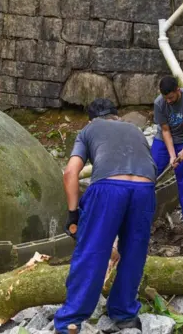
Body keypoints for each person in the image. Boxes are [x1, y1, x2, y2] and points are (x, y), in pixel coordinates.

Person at [54, 98, 157, 333]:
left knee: (92, 252)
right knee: (133, 253)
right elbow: (151, 165)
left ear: (91, 118)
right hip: (145, 189)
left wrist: (73, 214)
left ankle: (70, 320)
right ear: (116, 115)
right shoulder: (134, 129)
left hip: (109, 189)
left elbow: (70, 172)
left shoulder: (89, 130)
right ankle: (124, 314)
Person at [151, 76, 183, 238]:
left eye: (171, 98)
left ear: (178, 91)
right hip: (163, 141)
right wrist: (172, 155)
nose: (169, 101)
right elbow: (165, 131)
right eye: (166, 98)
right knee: (148, 175)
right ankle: (141, 220)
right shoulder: (159, 103)